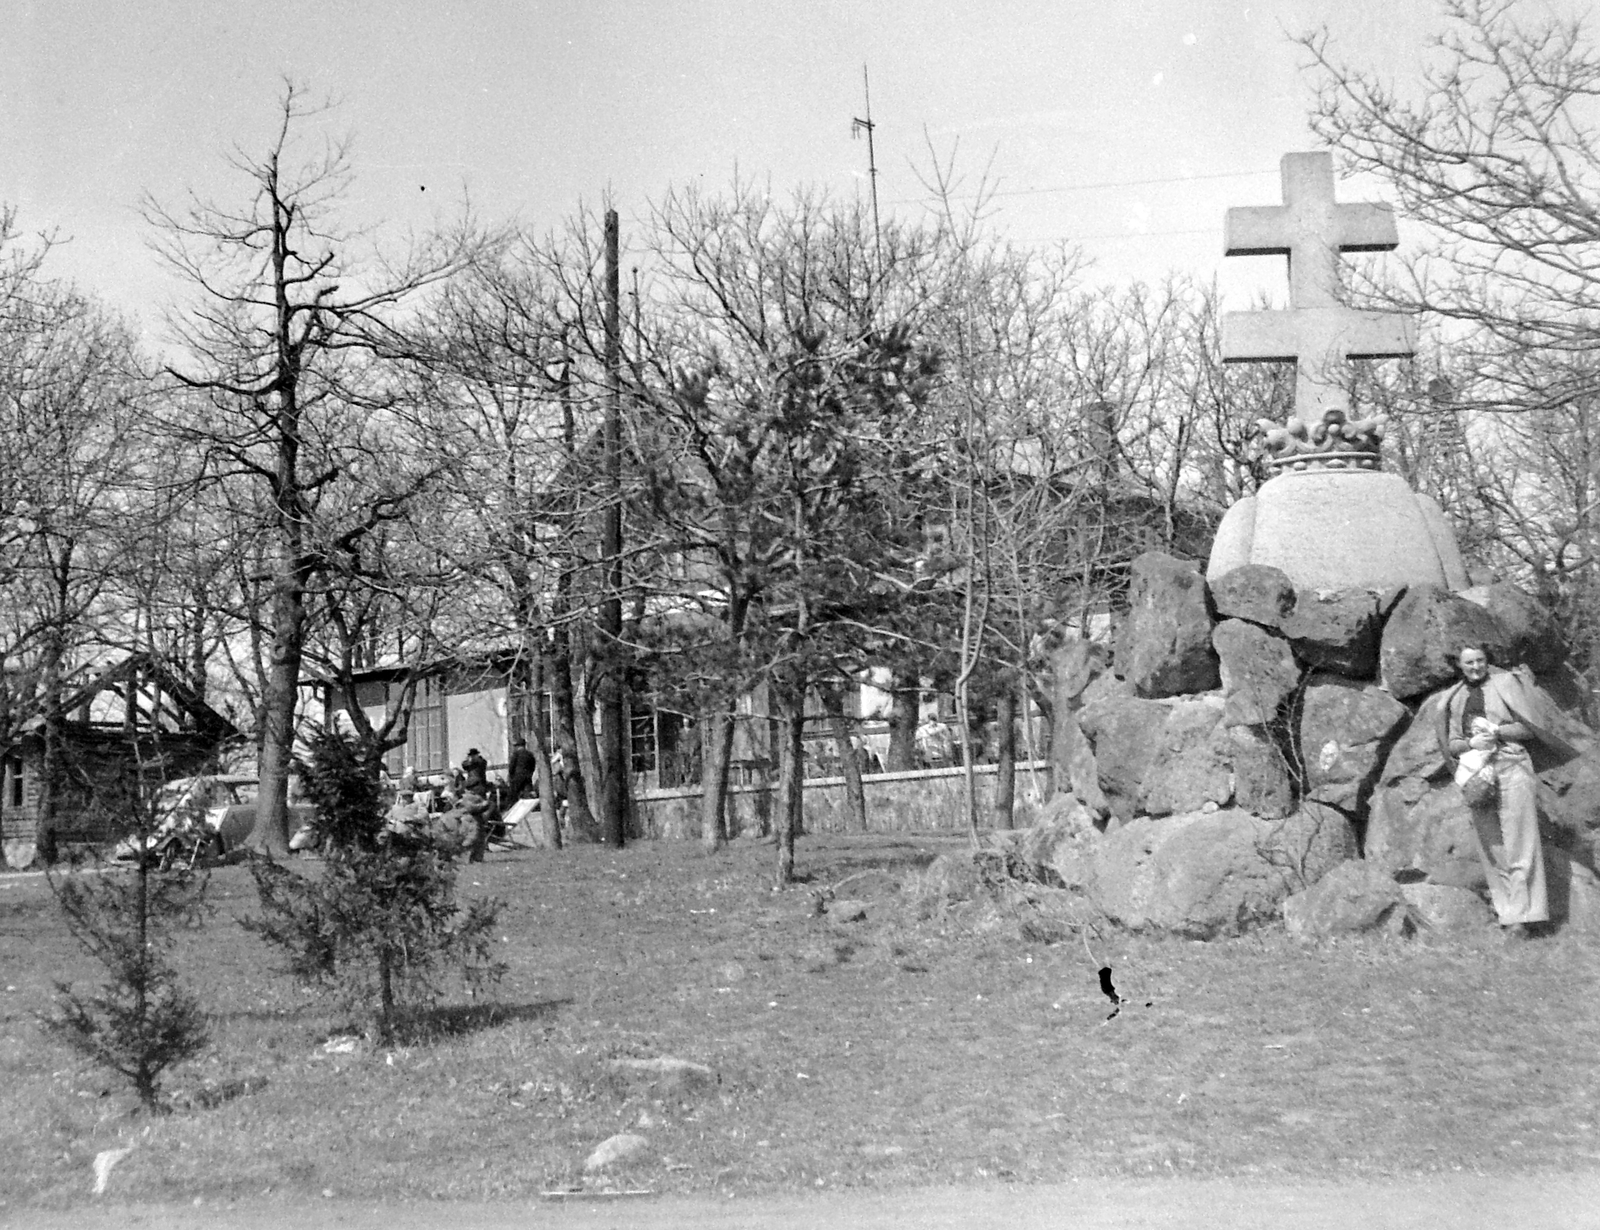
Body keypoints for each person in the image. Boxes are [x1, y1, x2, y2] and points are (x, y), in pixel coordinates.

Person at [1435, 644, 1585, 938]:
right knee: (1492, 846)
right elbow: (1451, 743)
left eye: (1480, 661)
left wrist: (1497, 731)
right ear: (1460, 666)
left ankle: (1528, 916)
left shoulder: (1505, 683)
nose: (1475, 667)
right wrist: (1470, 744)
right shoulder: (1453, 698)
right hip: (1477, 774)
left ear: (1487, 661)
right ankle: (1510, 913)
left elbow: (1529, 728)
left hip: (1512, 765)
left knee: (1521, 843)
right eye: (1469, 663)